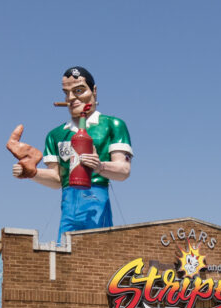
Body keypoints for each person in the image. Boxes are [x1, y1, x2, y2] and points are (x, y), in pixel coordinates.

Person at [7, 67, 132, 241]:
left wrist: (100, 166)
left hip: (97, 200)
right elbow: (58, 178)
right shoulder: (56, 134)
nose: (72, 98)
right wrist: (32, 172)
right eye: (67, 93)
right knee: (64, 253)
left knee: (98, 249)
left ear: (94, 90)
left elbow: (124, 170)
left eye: (79, 90)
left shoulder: (113, 125)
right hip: (68, 204)